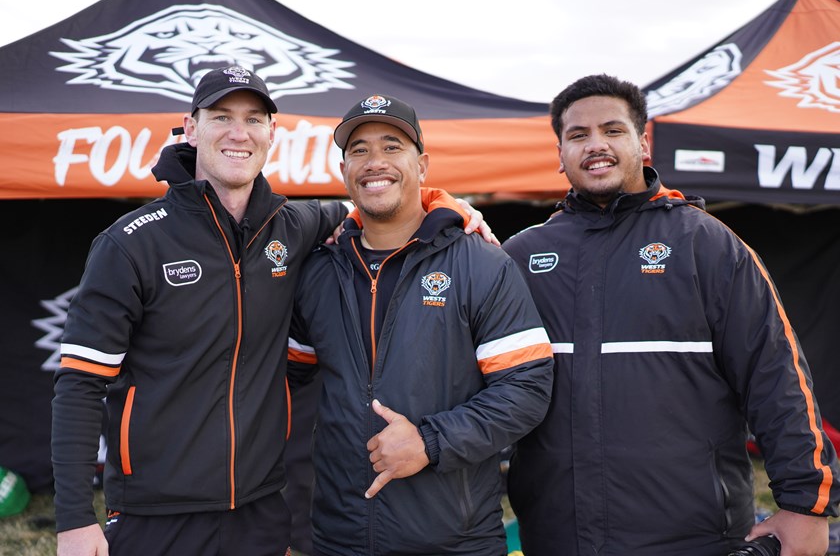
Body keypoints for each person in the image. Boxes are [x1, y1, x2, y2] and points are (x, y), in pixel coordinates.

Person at [51, 68, 489, 556]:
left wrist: (443, 204)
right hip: (157, 514)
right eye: (222, 117)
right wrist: (72, 519)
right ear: (191, 128)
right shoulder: (130, 243)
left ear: (271, 135)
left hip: (260, 509)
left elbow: (374, 206)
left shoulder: (293, 225)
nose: (239, 133)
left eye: (254, 119)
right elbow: (79, 383)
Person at [502, 73, 840, 556]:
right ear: (559, 154)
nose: (595, 144)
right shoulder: (522, 256)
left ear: (642, 143)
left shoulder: (707, 243)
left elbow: (777, 378)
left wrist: (805, 505)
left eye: (612, 130)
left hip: (695, 538)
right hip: (558, 535)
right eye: (578, 135)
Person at [286, 94, 555, 555]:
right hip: (337, 539)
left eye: (392, 147)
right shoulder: (317, 271)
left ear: (423, 165)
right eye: (359, 150)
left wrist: (431, 442)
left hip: (454, 540)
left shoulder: (483, 264)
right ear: (344, 168)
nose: (375, 162)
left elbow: (527, 387)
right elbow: (282, 386)